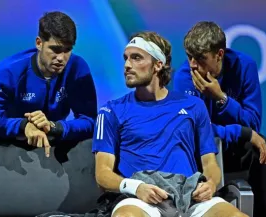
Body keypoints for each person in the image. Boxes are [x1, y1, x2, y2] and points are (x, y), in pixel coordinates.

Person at [92, 31, 248, 217]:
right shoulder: (110, 111)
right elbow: (102, 173)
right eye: (126, 58)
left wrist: (211, 184)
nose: (127, 65)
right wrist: (136, 187)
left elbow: (210, 164)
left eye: (136, 58)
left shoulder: (194, 106)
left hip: (191, 198)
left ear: (158, 64)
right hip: (140, 199)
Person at [173, 21, 266, 217]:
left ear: (219, 54)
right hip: (200, 152)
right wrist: (237, 130)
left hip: (232, 148)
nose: (193, 65)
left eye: (200, 58)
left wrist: (221, 98)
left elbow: (253, 124)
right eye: (189, 57)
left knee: (260, 147)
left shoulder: (244, 66)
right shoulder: (184, 77)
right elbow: (191, 131)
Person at [0, 11, 97, 157]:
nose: (61, 58)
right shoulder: (9, 71)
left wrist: (54, 127)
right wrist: (23, 126)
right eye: (55, 49)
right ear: (39, 43)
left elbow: (90, 122)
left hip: (52, 152)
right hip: (9, 153)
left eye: (67, 50)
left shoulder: (78, 69)